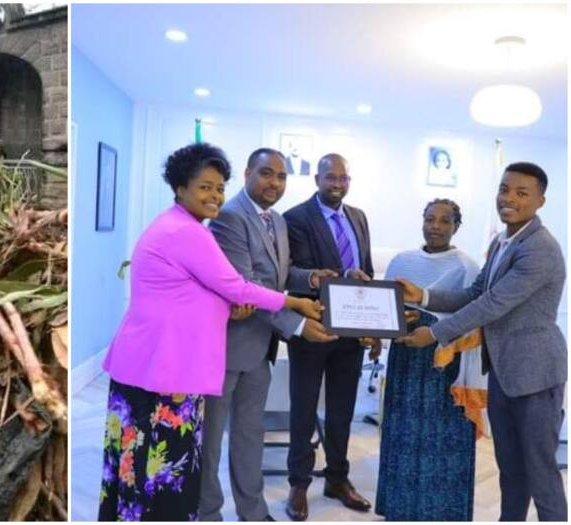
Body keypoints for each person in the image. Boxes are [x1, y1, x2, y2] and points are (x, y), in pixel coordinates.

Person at [98, 143, 323, 521]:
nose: (215, 196)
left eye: (219, 187)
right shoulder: (189, 232)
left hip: (154, 364)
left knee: (139, 466)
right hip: (164, 370)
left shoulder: (178, 225)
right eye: (205, 187)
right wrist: (295, 305)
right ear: (180, 188)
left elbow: (196, 293)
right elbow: (237, 286)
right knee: (163, 467)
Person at [398, 162, 567, 522]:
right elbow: (476, 292)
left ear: (540, 201)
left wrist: (435, 334)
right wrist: (424, 296)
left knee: (541, 473)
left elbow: (492, 305)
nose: (509, 199)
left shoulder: (539, 249)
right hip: (504, 373)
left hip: (536, 376)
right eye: (505, 190)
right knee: (510, 468)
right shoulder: (502, 241)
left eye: (522, 193)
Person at [199, 148, 338, 522]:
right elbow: (245, 287)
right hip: (225, 349)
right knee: (211, 442)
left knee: (249, 437)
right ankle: (208, 513)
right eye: (266, 173)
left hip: (260, 349)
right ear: (247, 173)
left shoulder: (276, 220)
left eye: (281, 176)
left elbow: (279, 275)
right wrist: (297, 325)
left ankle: (253, 513)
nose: (274, 183)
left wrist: (309, 278)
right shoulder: (229, 218)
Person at [282, 153, 375, 521]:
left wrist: (372, 325)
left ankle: (337, 478)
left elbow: (364, 271)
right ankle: (298, 483)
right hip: (313, 327)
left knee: (342, 412)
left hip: (351, 332)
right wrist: (317, 279)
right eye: (330, 177)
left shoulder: (359, 217)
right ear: (317, 179)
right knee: (303, 411)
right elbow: (288, 273)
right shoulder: (295, 218)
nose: (337, 184)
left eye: (343, 178)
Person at [375, 199, 482, 521]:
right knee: (402, 428)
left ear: (456, 227)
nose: (435, 226)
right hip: (406, 358)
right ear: (421, 221)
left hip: (444, 362)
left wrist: (432, 328)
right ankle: (399, 505)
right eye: (430, 219)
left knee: (442, 435)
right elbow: (383, 307)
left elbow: (472, 315)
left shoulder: (467, 266)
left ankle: (443, 510)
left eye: (444, 221)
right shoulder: (401, 261)